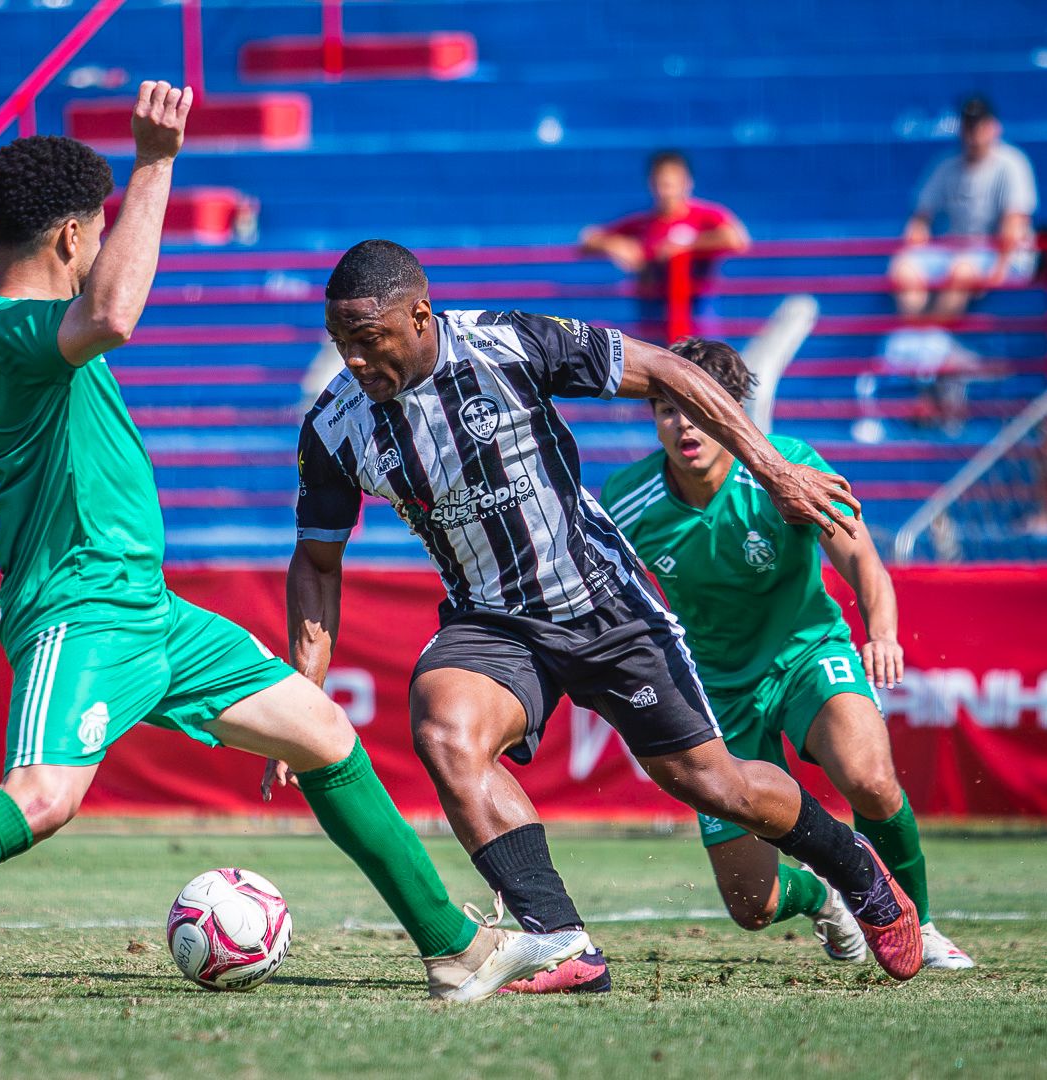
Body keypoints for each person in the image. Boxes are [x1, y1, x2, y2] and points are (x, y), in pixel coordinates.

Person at [0, 84, 591, 1009]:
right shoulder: (13, 333)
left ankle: (455, 949)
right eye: (99, 228)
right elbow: (112, 316)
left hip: (148, 612)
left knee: (322, 735)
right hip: (80, 612)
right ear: (74, 237)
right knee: (43, 796)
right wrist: (156, 161)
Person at [271, 239, 925, 993]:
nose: (352, 360)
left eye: (368, 340)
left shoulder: (509, 344)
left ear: (420, 316)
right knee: (444, 728)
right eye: (340, 344)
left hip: (603, 604)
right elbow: (317, 562)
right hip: (493, 622)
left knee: (714, 785)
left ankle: (854, 867)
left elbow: (672, 371)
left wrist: (772, 469)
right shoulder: (335, 427)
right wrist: (305, 694)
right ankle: (562, 944)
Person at [602, 337, 974, 970]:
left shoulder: (788, 467)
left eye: (697, 406)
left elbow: (863, 561)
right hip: (714, 690)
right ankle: (826, 898)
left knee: (870, 780)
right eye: (665, 407)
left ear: (731, 410)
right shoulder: (626, 501)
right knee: (753, 904)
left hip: (808, 655)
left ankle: (918, 921)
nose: (682, 423)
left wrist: (881, 633)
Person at [890, 96, 1038, 320]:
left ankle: (928, 337)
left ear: (994, 127)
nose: (974, 132)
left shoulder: (1012, 163)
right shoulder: (946, 165)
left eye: (979, 125)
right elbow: (921, 217)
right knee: (903, 267)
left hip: (1002, 256)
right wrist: (915, 240)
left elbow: (1015, 223)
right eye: (969, 125)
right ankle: (920, 334)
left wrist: (998, 272)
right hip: (958, 250)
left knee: (962, 270)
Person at [579, 150, 749, 341]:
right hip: (652, 312)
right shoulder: (643, 222)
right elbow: (588, 238)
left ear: (687, 182)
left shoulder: (706, 215)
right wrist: (615, 244)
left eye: (671, 182)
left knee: (705, 364)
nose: (665, 190)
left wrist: (685, 246)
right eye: (660, 182)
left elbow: (736, 238)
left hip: (696, 309)